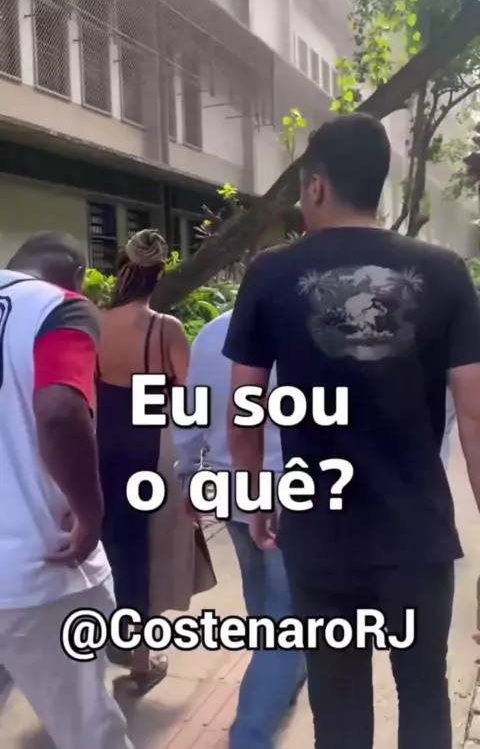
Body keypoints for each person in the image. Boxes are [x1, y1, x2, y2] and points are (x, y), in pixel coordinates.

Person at [222, 113, 480, 749]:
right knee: (424, 697)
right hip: (417, 537)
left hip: (319, 538)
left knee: (338, 710)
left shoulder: (270, 272)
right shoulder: (446, 271)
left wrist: (255, 500)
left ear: (316, 185)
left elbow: (244, 407)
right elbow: (475, 415)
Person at [0, 232, 133, 749]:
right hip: (38, 572)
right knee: (89, 731)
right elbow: (59, 411)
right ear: (76, 276)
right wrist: (90, 513)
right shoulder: (57, 309)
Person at [173, 309, 306, 749]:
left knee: (262, 597)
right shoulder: (305, 326)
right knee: (287, 613)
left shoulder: (213, 333)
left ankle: (279, 682)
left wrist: (188, 474)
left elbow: (190, 414)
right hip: (291, 492)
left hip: (230, 488)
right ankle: (251, 734)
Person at [95, 229, 192, 695]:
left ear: (122, 270)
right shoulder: (164, 328)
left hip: (100, 442)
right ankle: (139, 659)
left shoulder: (94, 323)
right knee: (140, 551)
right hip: (147, 448)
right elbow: (190, 396)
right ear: (158, 275)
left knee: (107, 545)